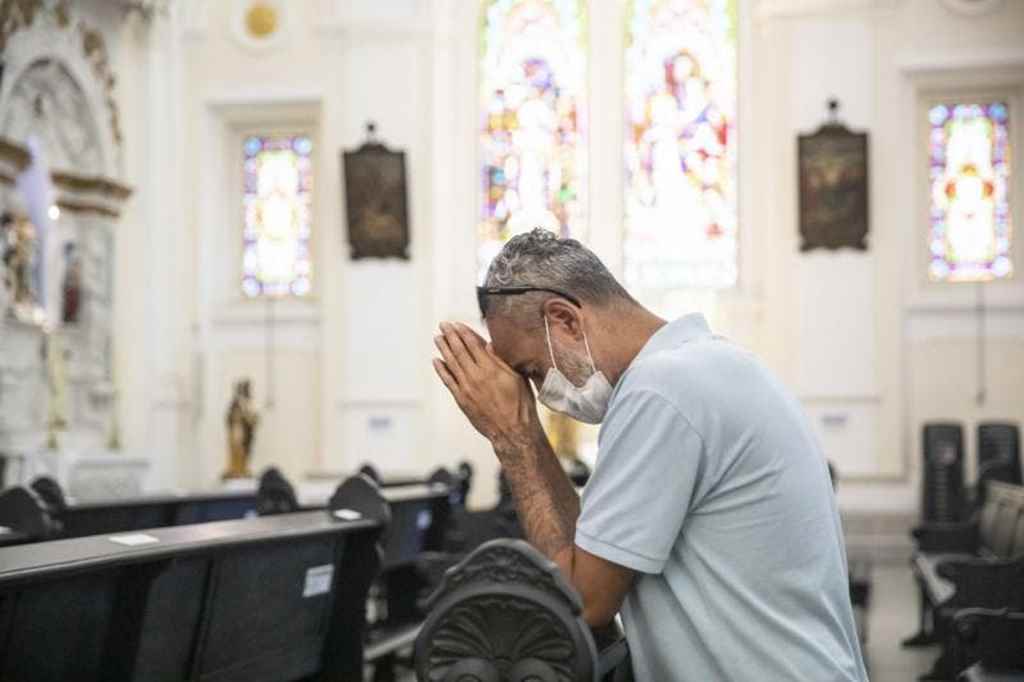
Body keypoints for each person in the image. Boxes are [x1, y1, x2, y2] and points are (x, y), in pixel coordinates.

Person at [432, 228, 867, 681]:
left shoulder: (661, 392)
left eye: (533, 370)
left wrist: (515, 438)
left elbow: (583, 602)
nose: (540, 394)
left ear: (565, 320)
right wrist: (526, 436)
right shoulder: (709, 365)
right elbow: (586, 553)